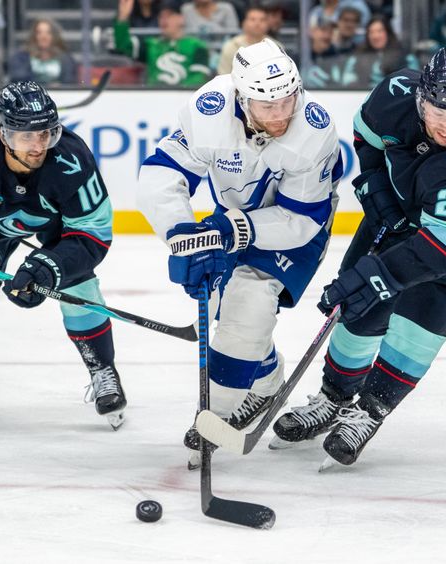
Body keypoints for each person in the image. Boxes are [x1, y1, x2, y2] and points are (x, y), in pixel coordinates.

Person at [272, 49, 446, 467]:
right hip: (408, 201)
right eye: (438, 115)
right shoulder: (393, 94)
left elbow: (444, 247)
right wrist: (376, 187)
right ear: (419, 99)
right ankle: (333, 398)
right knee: (358, 301)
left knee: (427, 306)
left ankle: (371, 409)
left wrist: (380, 274)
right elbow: (367, 139)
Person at [136, 38, 342, 465]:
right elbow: (162, 174)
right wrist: (183, 237)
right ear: (242, 99)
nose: (282, 114)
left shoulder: (314, 129)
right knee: (228, 309)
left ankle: (214, 418)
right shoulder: (208, 110)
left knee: (248, 303)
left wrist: (234, 229)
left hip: (293, 229)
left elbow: (299, 219)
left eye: (288, 100)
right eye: (269, 107)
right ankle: (265, 381)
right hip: (230, 216)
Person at [0, 82, 126, 429]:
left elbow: (93, 232)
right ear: (4, 135)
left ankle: (102, 367)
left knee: (76, 282)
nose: (38, 145)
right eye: (27, 136)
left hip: (56, 224)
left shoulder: (71, 161)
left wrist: (50, 267)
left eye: (45, 133)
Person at [114, 0, 211, 87]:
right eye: (161, 16)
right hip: (154, 99)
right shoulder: (152, 45)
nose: (164, 20)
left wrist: (176, 94)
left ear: (181, 18)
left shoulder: (198, 47)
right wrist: (123, 18)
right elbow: (123, 46)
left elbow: (198, 79)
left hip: (183, 99)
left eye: (169, 15)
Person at [8, 18, 77, 85]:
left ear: (55, 36)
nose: (44, 37)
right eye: (39, 33)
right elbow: (18, 80)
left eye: (48, 32)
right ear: (34, 35)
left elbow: (70, 81)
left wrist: (59, 87)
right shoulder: (21, 58)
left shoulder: (66, 59)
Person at [216, 5, 270, 74]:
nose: (257, 23)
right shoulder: (231, 46)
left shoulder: (276, 46)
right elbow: (223, 75)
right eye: (252, 19)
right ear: (243, 23)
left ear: (268, 24)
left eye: (262, 20)